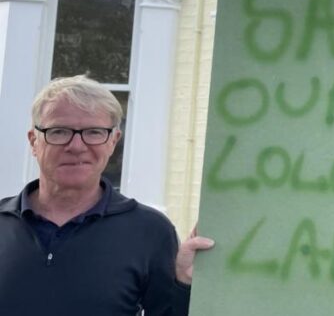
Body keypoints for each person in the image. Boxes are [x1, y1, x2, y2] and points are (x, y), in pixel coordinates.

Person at [0, 75, 214, 315]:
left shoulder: (150, 230)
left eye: (94, 132)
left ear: (113, 141)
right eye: (59, 131)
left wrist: (184, 284)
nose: (77, 146)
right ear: (34, 141)